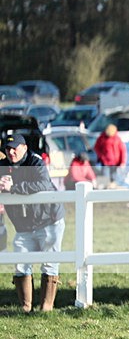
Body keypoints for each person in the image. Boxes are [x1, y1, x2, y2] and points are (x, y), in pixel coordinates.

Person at [0, 132, 65, 312]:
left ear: (25, 148)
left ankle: (46, 307)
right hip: (24, 225)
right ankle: (25, 307)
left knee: (50, 261)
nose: (11, 152)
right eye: (8, 149)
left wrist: (13, 188)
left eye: (15, 149)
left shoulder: (36, 162)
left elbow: (43, 185)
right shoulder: (4, 165)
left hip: (48, 220)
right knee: (21, 262)